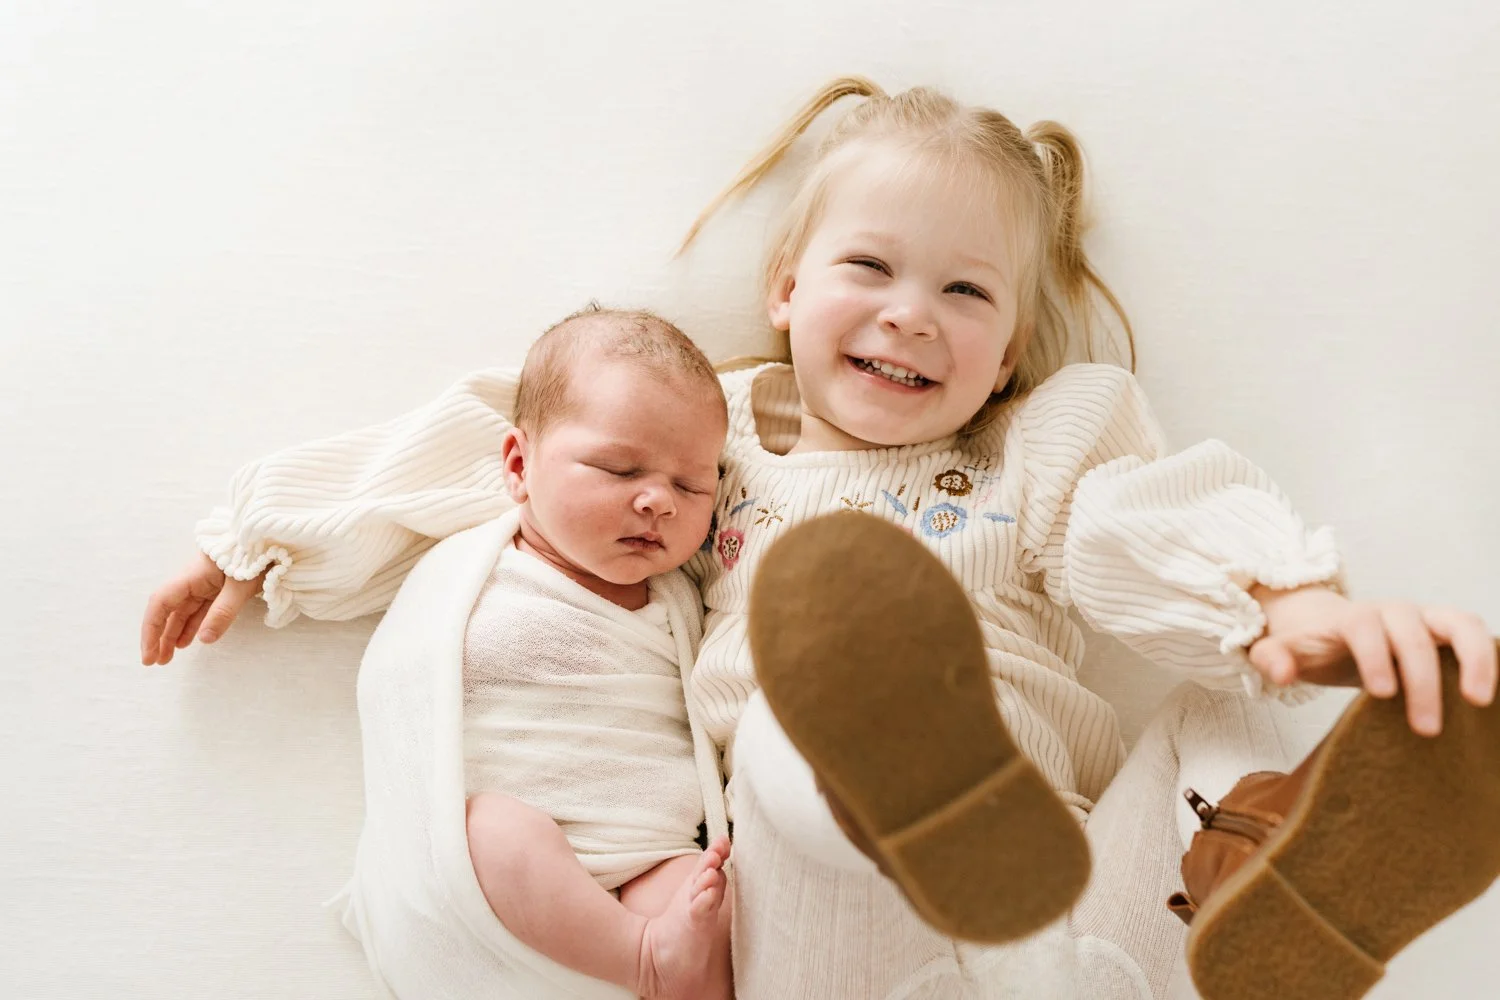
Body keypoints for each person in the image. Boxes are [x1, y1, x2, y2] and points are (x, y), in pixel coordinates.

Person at [143, 78, 1497, 1000]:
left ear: (1010, 347)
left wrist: (1283, 609)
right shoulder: (706, 444)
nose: (911, 315)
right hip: (842, 930)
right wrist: (265, 536)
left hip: (1090, 897)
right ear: (786, 291)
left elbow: (1142, 522)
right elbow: (520, 437)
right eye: (870, 269)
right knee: (810, 711)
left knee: (1265, 698)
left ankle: (1251, 884)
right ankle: (923, 804)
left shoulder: (1037, 449)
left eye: (963, 292)